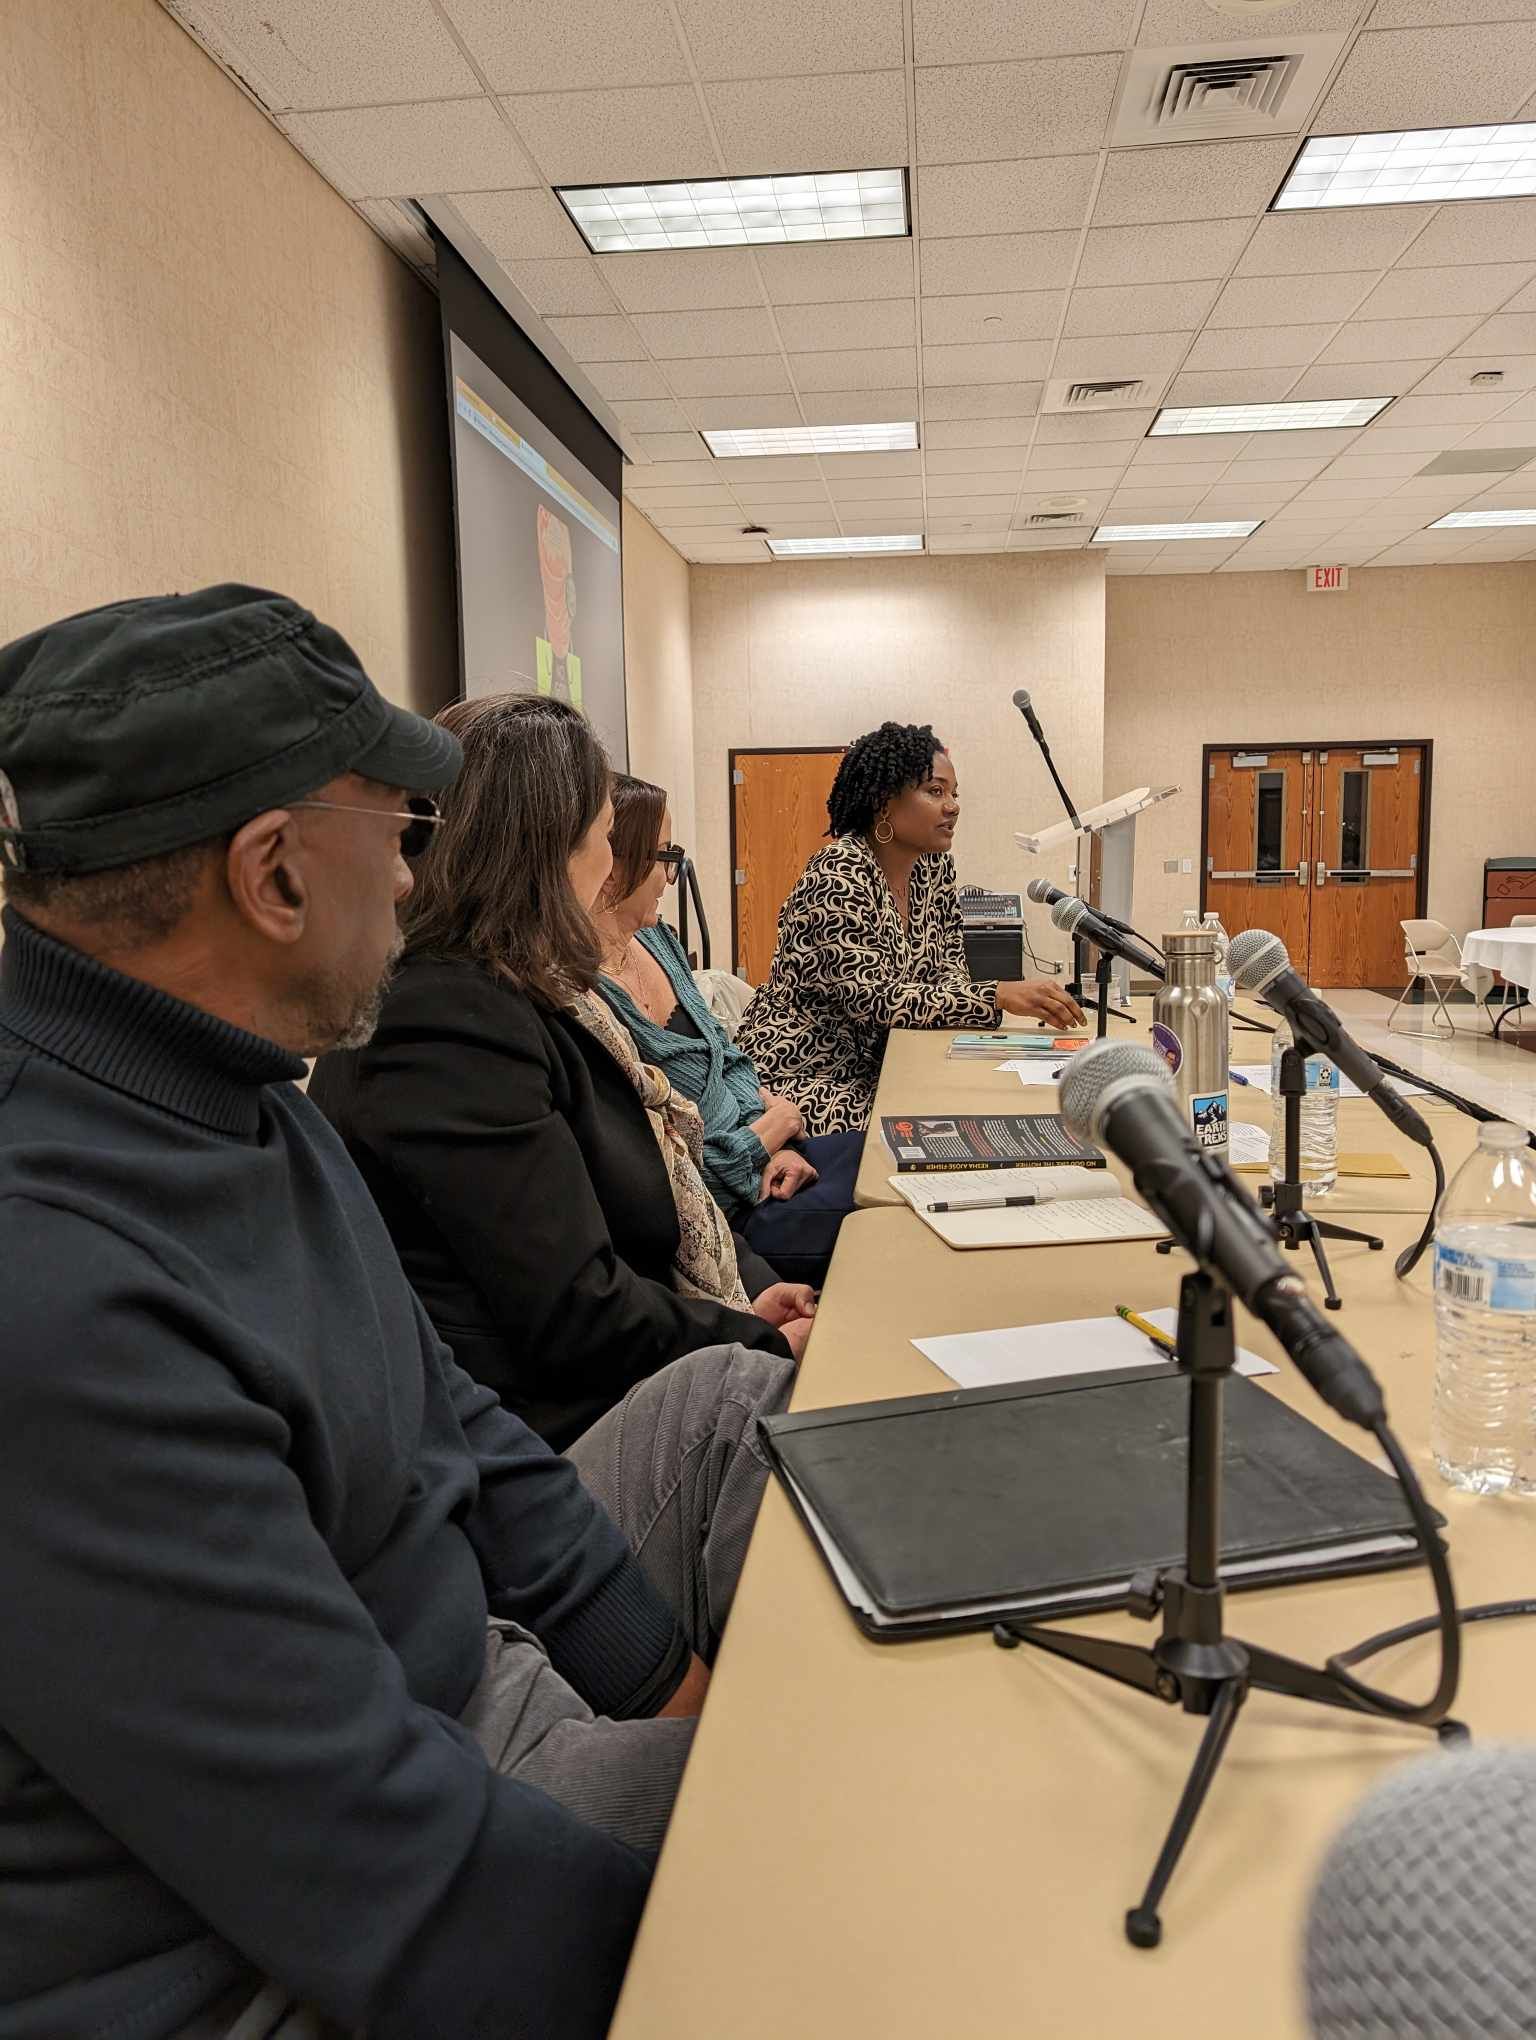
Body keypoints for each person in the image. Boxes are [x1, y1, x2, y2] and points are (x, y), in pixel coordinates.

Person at [0, 585, 795, 2040]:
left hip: (453, 1707)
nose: (423, 886)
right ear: (276, 877)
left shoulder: (241, 1097)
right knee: (851, 1838)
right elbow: (373, 1856)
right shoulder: (52, 1290)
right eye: (402, 837)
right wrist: (738, 1915)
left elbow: (458, 1423)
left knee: (825, 1751)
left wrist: (672, 1690)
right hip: (288, 1937)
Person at [309, 693, 814, 1450]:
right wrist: (757, 1341)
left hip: (630, 1376)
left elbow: (663, 1193)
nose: (617, 867)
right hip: (549, 1442)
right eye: (608, 838)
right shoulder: (447, 1020)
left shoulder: (538, 993)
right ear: (548, 851)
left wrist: (751, 1298)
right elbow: (575, 1313)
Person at [737, 720, 1086, 1135]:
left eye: (954, 794)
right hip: (801, 1076)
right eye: (935, 791)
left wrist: (970, 1024)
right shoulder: (838, 874)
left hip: (884, 1062)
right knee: (935, 1125)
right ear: (885, 801)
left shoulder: (933, 868)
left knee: (978, 1097)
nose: (952, 805)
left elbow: (949, 967)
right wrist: (995, 995)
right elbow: (872, 1000)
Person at [594, 772, 861, 1287]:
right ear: (612, 865)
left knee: (890, 1158)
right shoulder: (591, 1000)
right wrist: (770, 1134)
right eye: (664, 857)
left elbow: (726, 1055)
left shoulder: (658, 943)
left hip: (763, 1160)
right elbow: (675, 1171)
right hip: (724, 1214)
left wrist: (775, 1138)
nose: (670, 878)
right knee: (886, 1215)